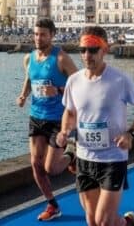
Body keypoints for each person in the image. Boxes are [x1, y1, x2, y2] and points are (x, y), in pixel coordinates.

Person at [58, 27, 134, 226]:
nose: (86, 55)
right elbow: (70, 112)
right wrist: (65, 131)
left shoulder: (119, 79)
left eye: (92, 49)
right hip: (84, 158)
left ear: (104, 50)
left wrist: (131, 133)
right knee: (92, 221)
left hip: (113, 158)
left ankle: (127, 222)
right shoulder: (73, 81)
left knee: (103, 221)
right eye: (82, 50)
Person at [16, 18, 79, 221]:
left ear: (52, 35)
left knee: (51, 168)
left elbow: (80, 84)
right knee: (35, 163)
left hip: (57, 120)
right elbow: (29, 78)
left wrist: (59, 90)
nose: (38, 38)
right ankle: (52, 204)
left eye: (42, 34)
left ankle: (72, 155)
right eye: (35, 34)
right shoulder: (29, 58)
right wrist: (23, 95)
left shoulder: (61, 58)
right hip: (36, 116)